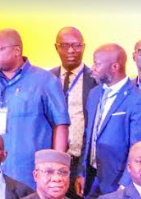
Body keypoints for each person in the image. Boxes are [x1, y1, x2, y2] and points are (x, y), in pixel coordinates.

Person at [0, 29, 70, 189]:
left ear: (17, 50)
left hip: (30, 177)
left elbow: (60, 125)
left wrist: (55, 168)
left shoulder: (45, 81)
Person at [81, 43, 141, 199]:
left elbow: (138, 148)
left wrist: (125, 185)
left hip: (117, 183)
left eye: (97, 63)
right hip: (91, 180)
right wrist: (81, 173)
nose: (93, 68)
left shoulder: (137, 100)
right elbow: (89, 135)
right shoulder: (94, 94)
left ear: (114, 67)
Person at [50, 27, 97, 188]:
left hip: (82, 162)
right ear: (56, 47)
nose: (71, 50)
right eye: (65, 45)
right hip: (52, 159)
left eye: (76, 45)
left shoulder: (96, 80)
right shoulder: (46, 80)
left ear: (84, 47)